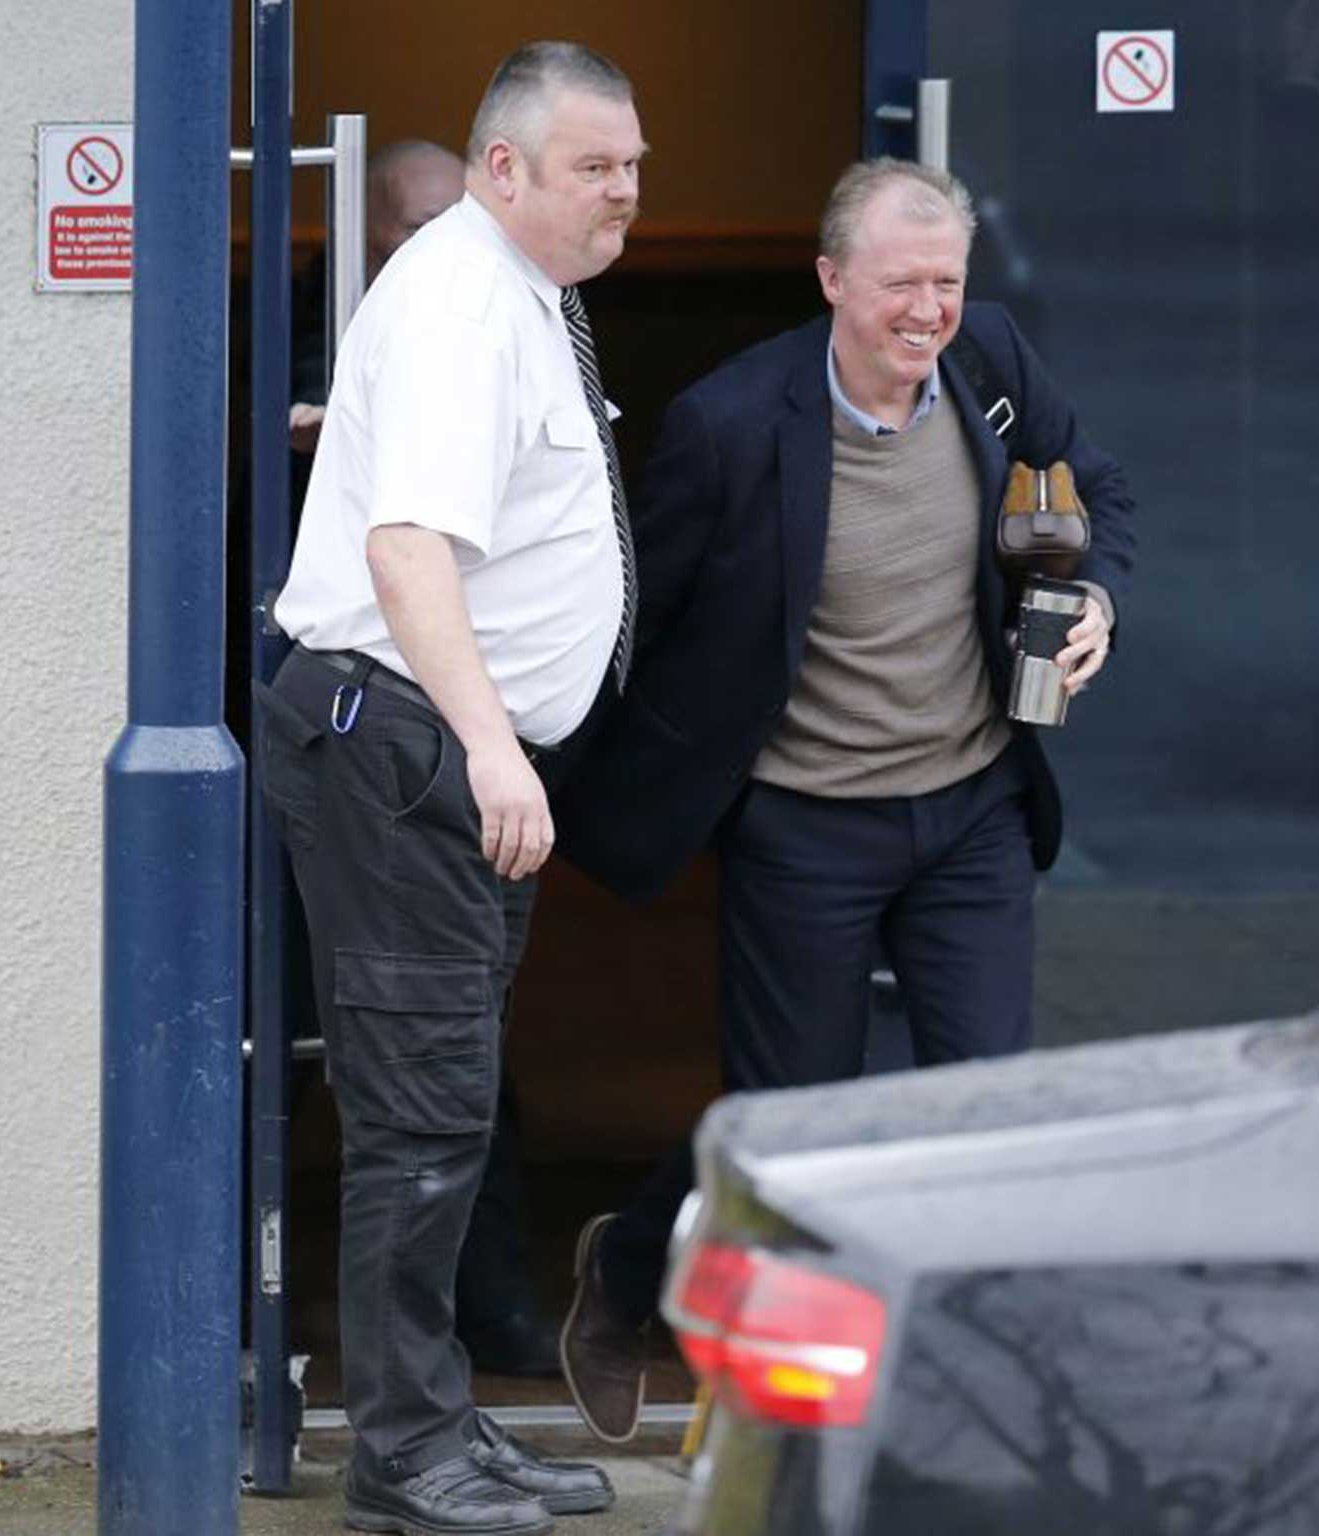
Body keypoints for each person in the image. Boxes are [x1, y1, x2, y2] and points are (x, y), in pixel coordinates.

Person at [554, 157, 1137, 1443]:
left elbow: (1099, 496)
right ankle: (633, 1278)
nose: (926, 310)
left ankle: (966, 1398)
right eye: (898, 284)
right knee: (792, 1130)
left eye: (945, 281)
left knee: (980, 1104)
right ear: (831, 282)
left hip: (972, 804)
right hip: (804, 821)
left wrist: (1093, 601)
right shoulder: (730, 424)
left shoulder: (991, 365)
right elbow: (638, 621)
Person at [255, 40, 643, 1534]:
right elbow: (405, 552)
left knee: (448, 1104)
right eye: (595, 168)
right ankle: (404, 1463)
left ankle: (440, 1430)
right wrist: (493, 747)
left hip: (437, 743)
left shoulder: (524, 296)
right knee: (421, 1118)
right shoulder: (459, 305)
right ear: (504, 169)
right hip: (406, 743)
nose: (625, 194)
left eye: (633, 167)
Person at [288, 140, 468, 454]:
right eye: (421, 228)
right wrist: (319, 409)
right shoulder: (322, 297)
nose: (448, 243)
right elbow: (315, 357)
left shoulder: (492, 288)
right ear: (364, 225)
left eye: (463, 223)